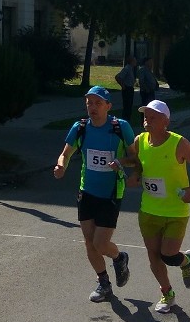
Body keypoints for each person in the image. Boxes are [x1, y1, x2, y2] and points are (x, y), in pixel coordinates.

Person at [53, 85, 133, 303]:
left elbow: (135, 158)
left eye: (98, 103)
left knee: (100, 244)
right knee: (89, 242)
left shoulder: (120, 127)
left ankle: (119, 257)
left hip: (111, 193)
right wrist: (61, 166)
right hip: (86, 191)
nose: (93, 107)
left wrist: (121, 162)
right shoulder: (80, 128)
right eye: (89, 103)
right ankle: (104, 283)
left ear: (108, 106)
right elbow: (66, 153)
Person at [133, 99, 190, 315]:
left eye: (153, 116)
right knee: (153, 256)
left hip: (176, 211)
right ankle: (167, 294)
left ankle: (187, 260)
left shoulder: (179, 143)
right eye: (146, 115)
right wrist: (132, 173)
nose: (147, 119)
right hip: (148, 210)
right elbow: (135, 161)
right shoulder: (140, 141)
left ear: (166, 120)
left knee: (168, 254)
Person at [114, 56, 137, 123]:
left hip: (130, 88)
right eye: (134, 61)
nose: (136, 62)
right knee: (127, 106)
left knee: (129, 106)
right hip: (127, 89)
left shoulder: (130, 69)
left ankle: (127, 120)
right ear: (131, 61)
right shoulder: (127, 69)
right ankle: (125, 120)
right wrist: (123, 86)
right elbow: (118, 77)